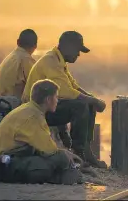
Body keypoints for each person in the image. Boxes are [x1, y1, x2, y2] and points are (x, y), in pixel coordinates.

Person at [21, 31, 107, 168]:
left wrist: (92, 99)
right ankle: (78, 153)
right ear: (68, 46)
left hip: (47, 106)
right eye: (77, 50)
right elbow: (65, 91)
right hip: (36, 112)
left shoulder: (58, 60)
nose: (78, 55)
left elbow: (73, 86)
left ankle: (87, 151)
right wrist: (93, 101)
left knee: (87, 103)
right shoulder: (50, 61)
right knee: (80, 106)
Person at [0, 79, 83, 184]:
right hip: (5, 165)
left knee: (60, 158)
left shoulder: (29, 109)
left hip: (7, 161)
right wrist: (67, 156)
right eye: (56, 97)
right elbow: (51, 152)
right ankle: (59, 178)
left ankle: (62, 176)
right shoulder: (33, 117)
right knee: (60, 159)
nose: (57, 101)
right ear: (48, 99)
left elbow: (45, 147)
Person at [0, 29, 37, 99]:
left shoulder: (10, 57)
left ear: (18, 42)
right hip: (10, 107)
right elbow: (38, 88)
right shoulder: (26, 60)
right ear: (35, 47)